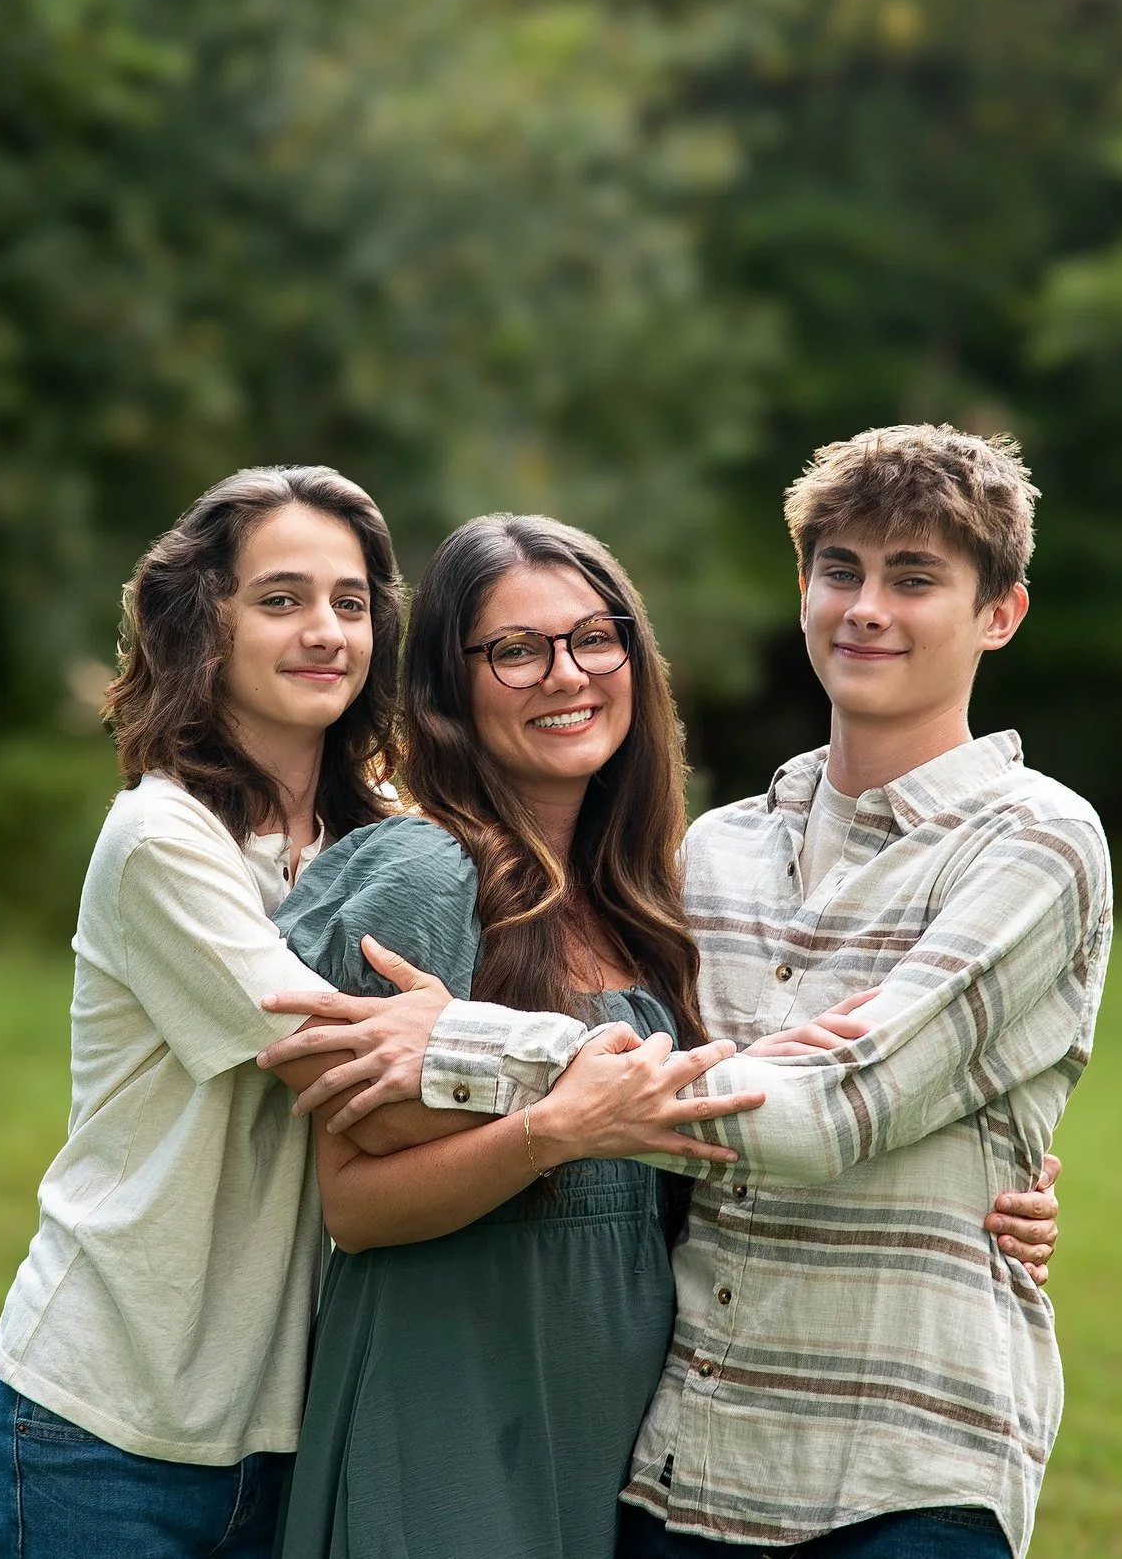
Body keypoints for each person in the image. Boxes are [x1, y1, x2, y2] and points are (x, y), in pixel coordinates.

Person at [271, 424, 1106, 1557]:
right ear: (802, 590)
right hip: (681, 1472)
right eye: (839, 572)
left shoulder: (1035, 841)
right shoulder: (710, 858)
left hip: (895, 1469)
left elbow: (819, 1113)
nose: (866, 608)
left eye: (914, 579)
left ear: (998, 614)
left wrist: (471, 1045)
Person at [0, 467, 752, 1559]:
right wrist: (561, 1085)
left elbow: (435, 1060)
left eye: (349, 602)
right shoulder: (165, 841)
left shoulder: (379, 836)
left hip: (280, 1403)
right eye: (280, 599)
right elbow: (356, 1079)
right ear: (207, 623)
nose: (324, 631)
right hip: (120, 1403)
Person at [267, 514, 729, 1559]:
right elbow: (355, 1201)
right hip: (451, 1404)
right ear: (449, 688)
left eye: (592, 636)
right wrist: (552, 1128)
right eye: (515, 650)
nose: (564, 673)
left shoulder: (647, 897)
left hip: (619, 1429)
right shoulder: (428, 870)